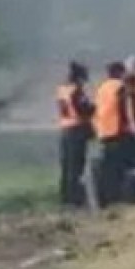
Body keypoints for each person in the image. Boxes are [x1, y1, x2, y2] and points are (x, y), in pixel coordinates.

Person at [87, 60, 135, 210]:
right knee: (121, 167)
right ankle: (120, 198)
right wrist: (131, 127)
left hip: (104, 131)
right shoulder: (120, 87)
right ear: (120, 72)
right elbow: (123, 109)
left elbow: (96, 110)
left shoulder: (101, 88)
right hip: (118, 131)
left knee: (108, 168)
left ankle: (108, 199)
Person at [55, 61, 94, 207]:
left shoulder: (62, 89)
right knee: (76, 167)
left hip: (65, 129)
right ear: (79, 78)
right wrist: (95, 107)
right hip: (77, 130)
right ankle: (75, 199)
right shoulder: (76, 91)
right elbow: (84, 110)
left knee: (66, 166)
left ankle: (65, 197)